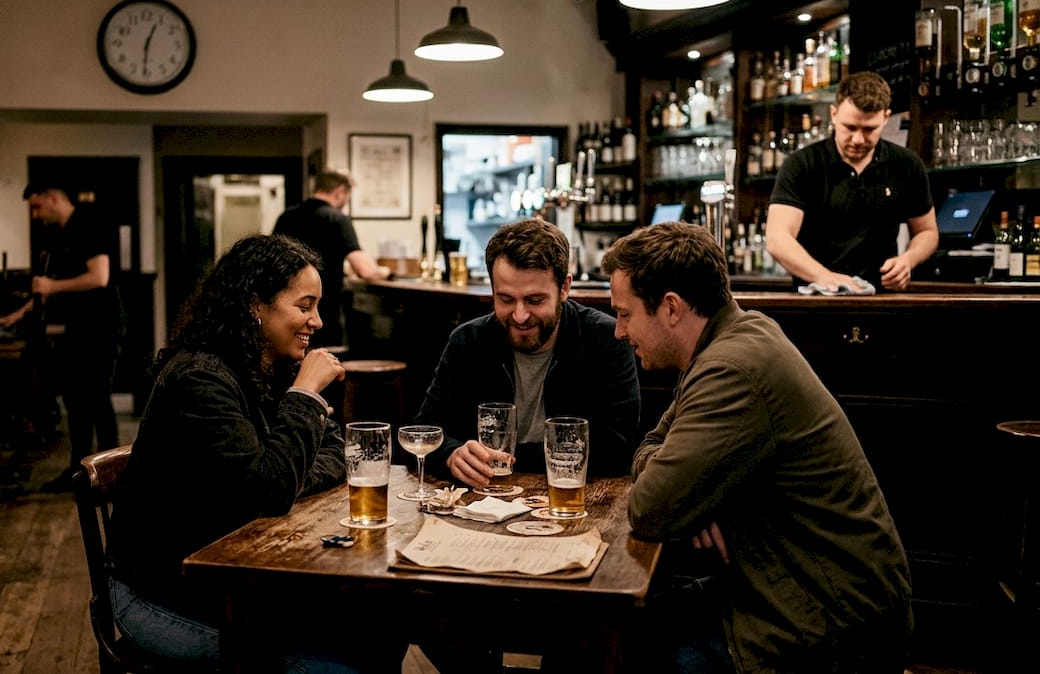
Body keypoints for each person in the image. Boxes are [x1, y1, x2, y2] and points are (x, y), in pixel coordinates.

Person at [602, 221, 913, 673]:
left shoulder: (732, 369)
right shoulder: (737, 337)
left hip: (828, 624)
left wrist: (691, 495)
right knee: (619, 631)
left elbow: (650, 506)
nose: (618, 331)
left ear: (670, 307)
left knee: (620, 650)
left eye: (625, 314)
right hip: (784, 589)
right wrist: (694, 494)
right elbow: (652, 447)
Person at [106, 233, 403, 672]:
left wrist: (287, 473)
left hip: (236, 578)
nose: (317, 321)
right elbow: (269, 490)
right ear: (254, 305)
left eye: (317, 307)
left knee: (383, 631)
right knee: (345, 664)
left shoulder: (267, 364)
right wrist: (305, 395)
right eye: (304, 306)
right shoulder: (200, 379)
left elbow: (335, 450)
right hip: (162, 593)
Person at [415, 217, 641, 487]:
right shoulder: (468, 340)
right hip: (483, 498)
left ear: (564, 288)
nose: (520, 315)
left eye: (535, 300)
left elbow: (617, 448)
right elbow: (424, 433)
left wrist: (511, 458)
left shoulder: (606, 338)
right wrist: (451, 454)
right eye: (506, 299)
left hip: (574, 496)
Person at [0, 185, 126, 493]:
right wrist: (18, 314)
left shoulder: (86, 225)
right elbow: (51, 286)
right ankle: (80, 472)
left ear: (53, 198)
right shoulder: (64, 233)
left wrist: (51, 287)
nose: (35, 215)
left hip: (100, 327)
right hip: (81, 328)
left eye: (37, 207)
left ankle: (114, 475)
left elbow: (99, 277)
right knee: (77, 401)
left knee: (97, 401)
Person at [766, 70, 938, 292]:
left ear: (886, 118)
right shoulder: (803, 164)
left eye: (869, 129)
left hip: (882, 298)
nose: (858, 139)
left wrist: (908, 260)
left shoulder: (906, 164)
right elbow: (778, 238)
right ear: (834, 114)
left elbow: (927, 232)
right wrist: (824, 277)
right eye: (850, 127)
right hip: (816, 299)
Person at [273, 168, 390, 348]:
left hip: (287, 310)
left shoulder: (286, 217)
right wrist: (385, 271)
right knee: (325, 358)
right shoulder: (337, 219)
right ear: (340, 191)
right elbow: (366, 271)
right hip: (323, 312)